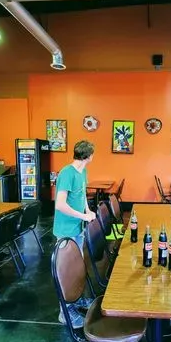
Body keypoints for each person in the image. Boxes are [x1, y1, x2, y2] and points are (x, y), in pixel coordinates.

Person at [53, 140, 96, 328]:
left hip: (78, 228)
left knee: (77, 269)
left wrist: (87, 210)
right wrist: (83, 216)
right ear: (89, 156)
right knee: (66, 272)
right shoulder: (66, 173)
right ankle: (65, 313)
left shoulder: (82, 171)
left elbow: (82, 193)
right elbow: (60, 205)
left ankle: (75, 301)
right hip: (65, 230)